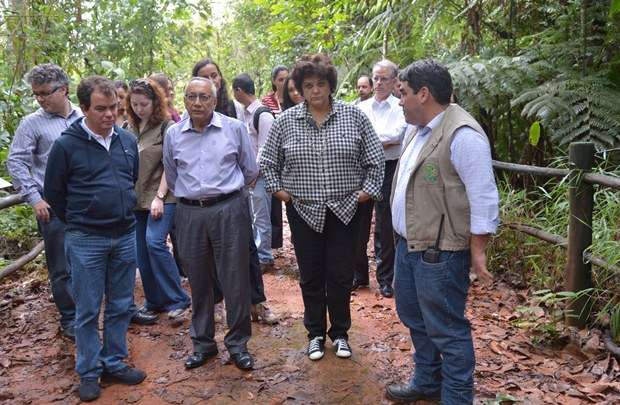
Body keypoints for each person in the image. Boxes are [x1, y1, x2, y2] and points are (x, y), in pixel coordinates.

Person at [386, 59, 498, 404]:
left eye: (402, 93)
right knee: (414, 315)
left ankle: (457, 398)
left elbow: (483, 195)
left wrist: (477, 252)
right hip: (409, 245)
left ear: (423, 94)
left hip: (441, 253)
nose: (398, 101)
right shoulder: (416, 128)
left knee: (447, 329)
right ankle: (427, 380)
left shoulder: (462, 135)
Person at [260, 53, 384, 361]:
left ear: (331, 85)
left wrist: (365, 193)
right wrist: (280, 193)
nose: (316, 90)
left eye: (321, 84)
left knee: (340, 275)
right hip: (303, 212)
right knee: (311, 274)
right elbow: (267, 162)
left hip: (346, 211)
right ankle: (315, 333)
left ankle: (340, 333)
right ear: (299, 88)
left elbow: (375, 159)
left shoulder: (353, 116)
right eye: (309, 85)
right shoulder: (286, 121)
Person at [44, 76, 145, 402]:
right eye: (100, 109)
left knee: (119, 305)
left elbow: (131, 180)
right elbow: (54, 194)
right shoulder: (66, 145)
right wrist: (81, 220)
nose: (109, 114)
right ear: (84, 108)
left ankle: (114, 361)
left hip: (125, 234)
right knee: (87, 310)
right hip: (86, 239)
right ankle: (88, 371)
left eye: (114, 107)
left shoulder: (127, 141)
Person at [163, 77, 258, 371]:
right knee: (199, 279)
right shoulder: (174, 134)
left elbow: (250, 169)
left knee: (235, 279)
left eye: (204, 97)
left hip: (229, 209)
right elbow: (172, 173)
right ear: (184, 100)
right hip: (190, 213)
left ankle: (238, 344)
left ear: (215, 101)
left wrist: (225, 196)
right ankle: (203, 344)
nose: (197, 103)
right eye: (191, 97)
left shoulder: (234, 128)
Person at [192, 58, 276, 325]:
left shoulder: (236, 110)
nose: (212, 80)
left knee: (247, 249)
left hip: (235, 191)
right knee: (211, 256)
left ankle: (256, 302)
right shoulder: (189, 117)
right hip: (205, 197)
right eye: (205, 76)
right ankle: (218, 305)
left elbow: (247, 150)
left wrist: (246, 179)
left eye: (215, 75)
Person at [7, 63, 80, 341]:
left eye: (45, 93)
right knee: (61, 267)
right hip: (52, 207)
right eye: (36, 94)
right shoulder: (31, 123)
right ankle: (69, 318)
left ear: (63, 89)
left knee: (89, 260)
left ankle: (95, 309)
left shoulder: (84, 117)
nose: (40, 99)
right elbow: (16, 162)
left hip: (85, 205)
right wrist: (35, 198)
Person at [125, 78, 190, 325]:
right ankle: (154, 301)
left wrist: (160, 197)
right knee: (141, 252)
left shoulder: (167, 126)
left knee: (155, 243)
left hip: (164, 195)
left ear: (155, 102)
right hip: (136, 199)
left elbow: (170, 165)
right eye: (135, 104)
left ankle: (178, 299)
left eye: (144, 103)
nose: (140, 108)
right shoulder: (128, 128)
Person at [357, 59, 406, 298]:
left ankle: (386, 278)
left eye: (384, 78)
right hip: (362, 169)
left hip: (390, 167)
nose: (378, 83)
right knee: (358, 222)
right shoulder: (361, 108)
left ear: (395, 81)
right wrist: (379, 140)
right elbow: (359, 138)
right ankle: (359, 275)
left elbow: (397, 135)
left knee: (386, 225)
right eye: (375, 77)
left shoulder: (401, 107)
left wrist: (370, 140)